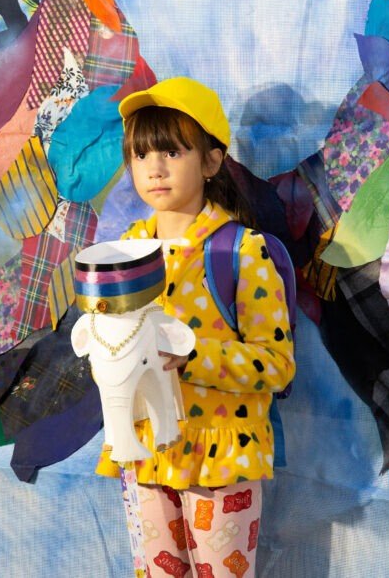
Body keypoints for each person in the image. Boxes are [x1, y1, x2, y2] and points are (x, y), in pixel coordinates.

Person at [96, 77, 296, 578]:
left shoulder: (242, 252)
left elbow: (276, 365)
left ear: (211, 161)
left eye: (172, 152)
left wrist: (192, 356)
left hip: (221, 457)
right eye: (141, 154)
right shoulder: (122, 253)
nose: (155, 168)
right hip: (145, 450)